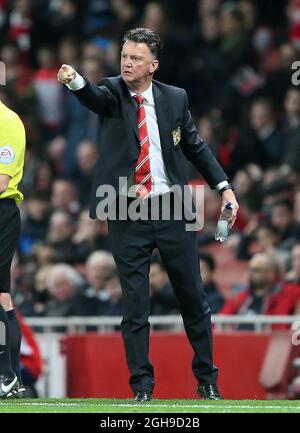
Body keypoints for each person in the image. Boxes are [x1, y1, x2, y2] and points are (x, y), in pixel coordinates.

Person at [57, 27, 239, 401]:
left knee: (193, 296)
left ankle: (207, 381)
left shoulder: (175, 98)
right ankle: (141, 387)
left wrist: (224, 188)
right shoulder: (111, 90)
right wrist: (75, 80)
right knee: (135, 303)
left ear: (153, 65)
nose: (127, 62)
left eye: (136, 58)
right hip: (126, 208)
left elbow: (196, 146)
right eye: (124, 56)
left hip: (173, 206)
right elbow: (92, 98)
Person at [0, 97, 26, 397]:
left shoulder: (7, 122)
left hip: (2, 212)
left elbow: (2, 179)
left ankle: (6, 375)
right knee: (3, 297)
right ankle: (12, 378)